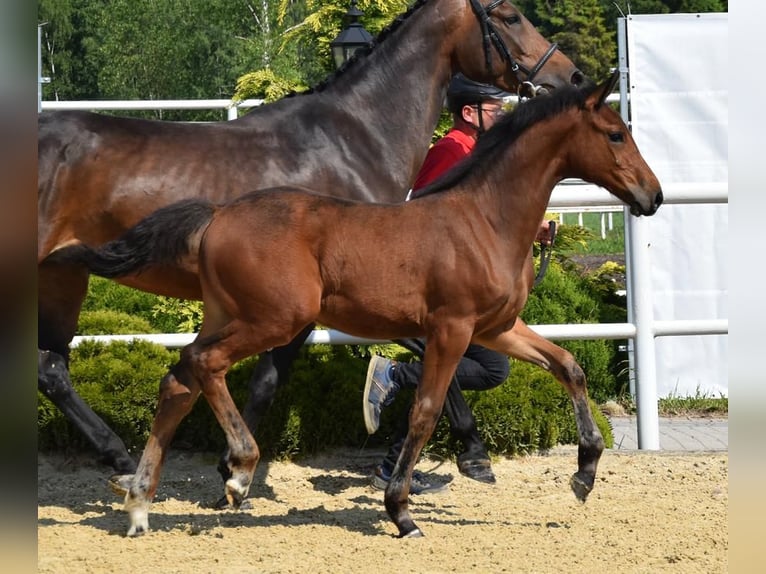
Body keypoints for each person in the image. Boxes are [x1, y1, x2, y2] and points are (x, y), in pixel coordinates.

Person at [363, 74, 553, 494]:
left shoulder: (473, 150)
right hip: (428, 289)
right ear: (469, 113)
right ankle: (401, 459)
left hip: (453, 289)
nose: (500, 114)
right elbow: (429, 213)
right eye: (493, 108)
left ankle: (396, 384)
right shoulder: (453, 150)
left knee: (485, 368)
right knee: (468, 367)